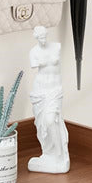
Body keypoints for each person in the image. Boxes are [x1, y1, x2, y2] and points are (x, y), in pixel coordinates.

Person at [28, 25, 70, 173]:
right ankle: (48, 154)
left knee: (51, 120)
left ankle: (60, 155)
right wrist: (46, 61)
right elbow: (34, 65)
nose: (43, 40)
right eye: (40, 37)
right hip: (40, 91)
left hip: (54, 91)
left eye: (45, 36)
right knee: (42, 124)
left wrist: (45, 61)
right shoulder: (33, 52)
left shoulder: (56, 46)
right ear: (36, 37)